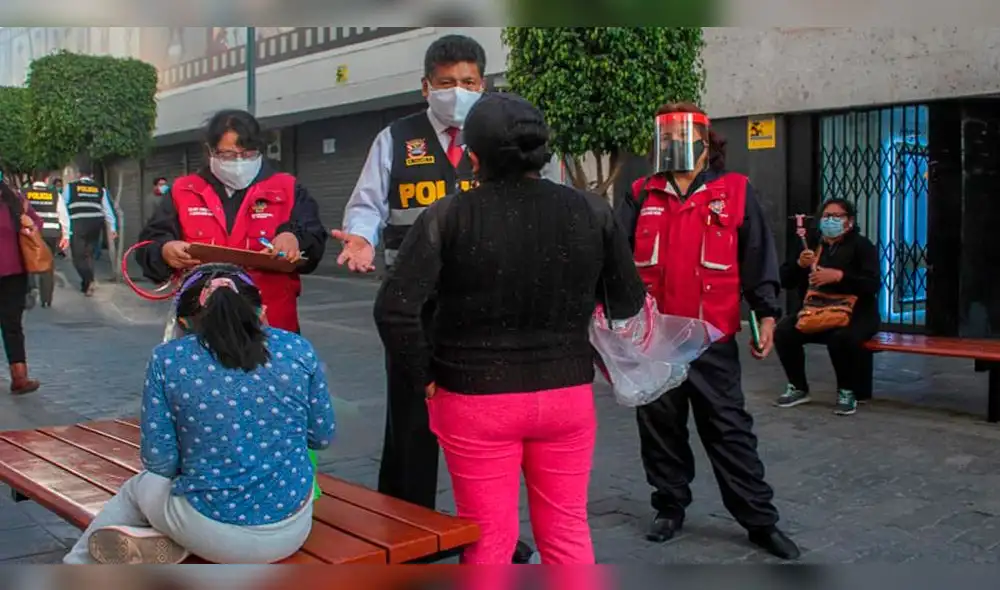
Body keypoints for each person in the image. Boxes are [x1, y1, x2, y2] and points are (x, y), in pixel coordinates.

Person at [374, 92, 647, 564]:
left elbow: (395, 309)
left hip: (474, 400)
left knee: (488, 541)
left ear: (473, 158)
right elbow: (628, 300)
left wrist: (426, 377)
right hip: (566, 396)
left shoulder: (448, 215)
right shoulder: (592, 211)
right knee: (567, 531)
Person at [331, 35, 537, 563]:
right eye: (446, 83)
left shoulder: (501, 140)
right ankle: (405, 532)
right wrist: (360, 237)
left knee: (488, 432)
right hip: (413, 310)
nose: (457, 92)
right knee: (411, 428)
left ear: (484, 85)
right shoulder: (395, 139)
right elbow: (368, 205)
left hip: (485, 309)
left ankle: (494, 533)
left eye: (468, 82)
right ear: (426, 87)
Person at [615, 102, 800, 560]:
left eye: (683, 135)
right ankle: (670, 505)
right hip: (654, 340)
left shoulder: (734, 192)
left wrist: (768, 316)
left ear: (705, 142)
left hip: (710, 339)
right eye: (666, 136)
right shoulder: (642, 193)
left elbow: (757, 257)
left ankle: (759, 520)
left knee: (728, 428)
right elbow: (616, 261)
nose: (674, 144)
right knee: (659, 427)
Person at [62, 263, 335, 564]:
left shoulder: (169, 360)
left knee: (139, 487)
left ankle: (76, 565)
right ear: (261, 312)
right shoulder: (298, 349)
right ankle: (177, 540)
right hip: (290, 531)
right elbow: (321, 437)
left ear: (183, 322)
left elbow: (159, 461)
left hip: (208, 526)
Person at [136, 109, 327, 334]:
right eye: (227, 155)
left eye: (247, 154)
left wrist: (293, 237)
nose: (238, 162)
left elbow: (314, 237)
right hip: (201, 328)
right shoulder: (184, 191)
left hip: (271, 327)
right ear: (210, 152)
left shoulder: (287, 188)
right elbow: (149, 246)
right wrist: (164, 251)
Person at [774, 198, 881, 415]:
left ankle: (847, 390)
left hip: (855, 312)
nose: (830, 220)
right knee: (784, 331)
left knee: (841, 338)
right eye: (826, 216)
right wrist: (799, 265)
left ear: (849, 221)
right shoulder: (810, 244)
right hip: (816, 310)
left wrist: (839, 277)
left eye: (837, 216)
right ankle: (798, 386)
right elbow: (785, 280)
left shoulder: (862, 246)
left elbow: (872, 284)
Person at [0, 181, 43, 394]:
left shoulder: (15, 199)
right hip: (14, 272)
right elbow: (37, 222)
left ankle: (19, 377)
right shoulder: (14, 199)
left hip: (14, 273)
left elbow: (37, 222)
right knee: (12, 326)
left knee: (13, 325)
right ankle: (19, 377)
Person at [64, 169, 117, 296]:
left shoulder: (71, 187)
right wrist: (113, 227)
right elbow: (107, 209)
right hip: (95, 224)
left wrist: (64, 227)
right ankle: (86, 285)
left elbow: (63, 205)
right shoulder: (99, 188)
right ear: (92, 176)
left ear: (79, 175)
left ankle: (89, 280)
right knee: (89, 255)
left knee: (78, 256)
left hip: (78, 223)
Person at [24, 174, 70, 308]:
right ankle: (46, 299)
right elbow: (63, 215)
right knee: (47, 264)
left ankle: (30, 289)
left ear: (32, 179)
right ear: (46, 179)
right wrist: (66, 235)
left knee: (28, 260)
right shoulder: (54, 194)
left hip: (31, 232)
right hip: (51, 233)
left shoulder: (24, 192)